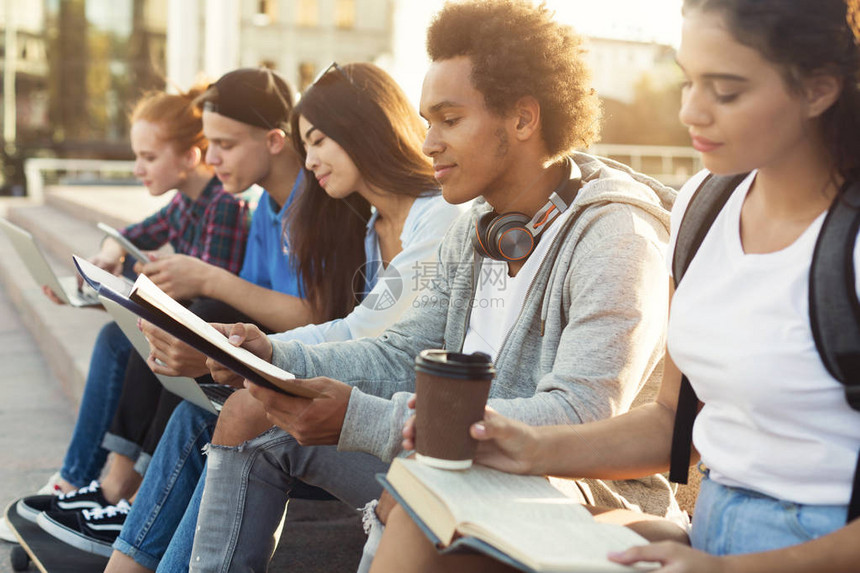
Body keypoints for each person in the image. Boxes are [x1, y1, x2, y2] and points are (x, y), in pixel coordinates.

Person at [188, 1, 687, 571]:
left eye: (449, 121)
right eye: (428, 121)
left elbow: (579, 417)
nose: (428, 143)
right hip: (452, 456)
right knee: (248, 412)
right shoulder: (477, 226)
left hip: (579, 490)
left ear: (524, 119)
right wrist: (272, 353)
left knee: (418, 489)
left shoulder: (616, 236)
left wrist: (365, 419)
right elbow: (403, 351)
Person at [371, 0, 860, 571]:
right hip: (712, 534)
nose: (692, 113)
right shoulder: (703, 208)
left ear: (819, 90)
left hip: (814, 547)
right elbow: (671, 423)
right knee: (421, 516)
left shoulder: (844, 244)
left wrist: (734, 567)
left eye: (724, 90)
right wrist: (525, 446)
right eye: (687, 83)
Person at [96, 61, 460, 572]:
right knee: (198, 414)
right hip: (374, 413)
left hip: (407, 434)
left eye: (318, 142)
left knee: (244, 413)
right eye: (304, 144)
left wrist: (258, 349)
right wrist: (244, 345)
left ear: (362, 130)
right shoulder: (374, 223)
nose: (309, 161)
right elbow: (357, 330)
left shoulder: (441, 218)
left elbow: (374, 340)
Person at [20, 67, 306, 555]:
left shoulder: (248, 207)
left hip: (279, 365)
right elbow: (153, 238)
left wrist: (196, 282)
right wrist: (117, 262)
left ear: (276, 141)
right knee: (132, 331)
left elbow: (297, 311)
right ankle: (96, 482)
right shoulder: (262, 208)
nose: (214, 160)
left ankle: (124, 491)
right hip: (252, 346)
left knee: (184, 318)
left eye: (224, 145)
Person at [13, 84, 250, 514]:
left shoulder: (225, 206)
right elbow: (130, 236)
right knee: (114, 337)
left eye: (148, 157)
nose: (138, 168)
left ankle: (96, 484)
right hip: (188, 328)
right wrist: (110, 254)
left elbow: (210, 297)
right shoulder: (186, 203)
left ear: (188, 157)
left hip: (215, 344)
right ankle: (80, 478)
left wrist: (157, 283)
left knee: (123, 340)